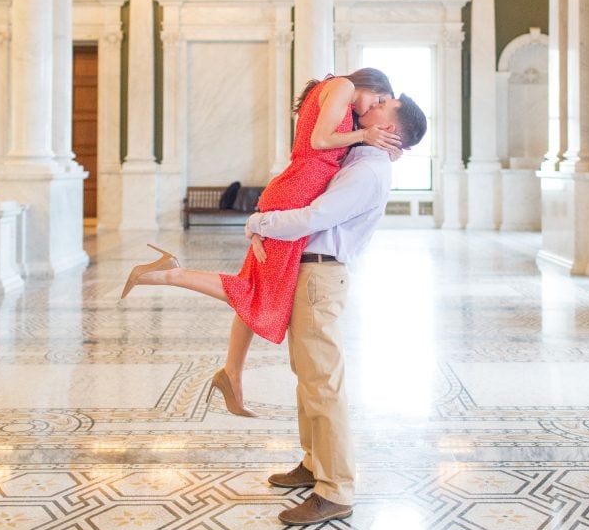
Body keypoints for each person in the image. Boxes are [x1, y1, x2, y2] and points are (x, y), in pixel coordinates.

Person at [120, 68, 400, 416]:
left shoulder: (336, 93)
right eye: (379, 99)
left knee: (256, 288)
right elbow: (319, 142)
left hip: (296, 188)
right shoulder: (343, 85)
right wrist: (364, 133)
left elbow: (329, 143)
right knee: (257, 294)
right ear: (370, 86)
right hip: (298, 192)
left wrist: (370, 141)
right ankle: (169, 273)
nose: (373, 107)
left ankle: (231, 374)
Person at [246, 93, 427, 525]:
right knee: (308, 377)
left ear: (392, 130)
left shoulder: (367, 169)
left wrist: (258, 222)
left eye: (384, 104)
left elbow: (314, 217)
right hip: (309, 274)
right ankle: (313, 464)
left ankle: (336, 489)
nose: (374, 103)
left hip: (320, 277)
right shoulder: (359, 155)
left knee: (323, 383)